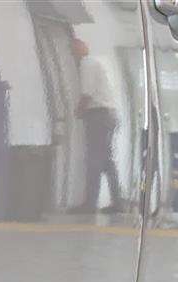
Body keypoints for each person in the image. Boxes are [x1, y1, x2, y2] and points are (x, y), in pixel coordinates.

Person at [72, 37, 122, 212]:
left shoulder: (86, 63)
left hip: (98, 115)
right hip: (109, 115)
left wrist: (78, 111)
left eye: (74, 49)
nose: (73, 53)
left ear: (81, 49)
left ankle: (90, 204)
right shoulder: (96, 62)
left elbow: (88, 93)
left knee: (94, 159)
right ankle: (118, 202)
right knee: (106, 160)